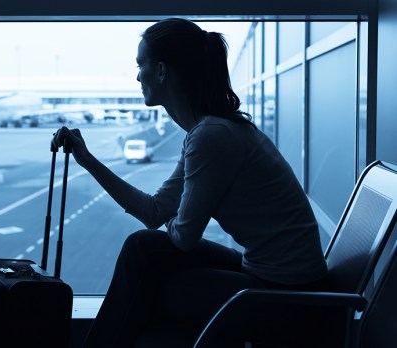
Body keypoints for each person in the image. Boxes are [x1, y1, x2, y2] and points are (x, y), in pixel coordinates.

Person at [53, 18, 327, 347]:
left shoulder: (211, 137)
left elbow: (183, 237)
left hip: (285, 296)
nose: (137, 76)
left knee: (150, 277)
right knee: (144, 252)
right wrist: (87, 159)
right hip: (275, 276)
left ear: (162, 71)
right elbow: (156, 213)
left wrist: (176, 221)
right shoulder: (210, 130)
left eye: (141, 65)